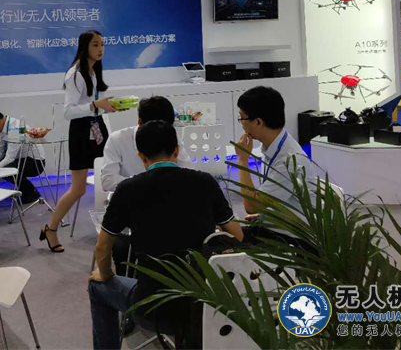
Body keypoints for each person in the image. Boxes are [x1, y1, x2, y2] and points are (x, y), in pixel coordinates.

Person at [88, 120, 243, 349]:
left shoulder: (127, 189)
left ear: (141, 156)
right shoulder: (205, 181)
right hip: (205, 304)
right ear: (177, 150)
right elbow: (237, 235)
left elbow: (102, 248)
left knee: (97, 287)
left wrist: (106, 274)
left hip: (152, 306)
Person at [41, 30, 117, 253]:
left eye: (102, 44)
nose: (100, 49)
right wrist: (94, 106)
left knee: (112, 178)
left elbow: (93, 105)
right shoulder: (75, 74)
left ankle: (113, 231)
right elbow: (68, 112)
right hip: (82, 132)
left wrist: (108, 107)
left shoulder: (94, 70)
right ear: (85, 47)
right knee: (78, 188)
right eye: (95, 45)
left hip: (97, 127)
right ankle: (51, 228)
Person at [232, 86, 323, 243]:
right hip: (279, 223)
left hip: (295, 238)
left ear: (258, 122)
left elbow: (251, 206)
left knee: (223, 243)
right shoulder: (276, 145)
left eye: (242, 118)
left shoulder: (289, 160)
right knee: (224, 232)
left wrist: (242, 159)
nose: (241, 124)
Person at [100, 96, 190, 192]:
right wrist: (145, 183)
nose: (160, 135)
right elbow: (108, 181)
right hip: (131, 196)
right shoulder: (118, 139)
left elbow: (187, 171)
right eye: (153, 130)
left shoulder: (170, 136)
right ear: (140, 122)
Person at [0, 108, 45, 206]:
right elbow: (0, 151)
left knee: (5, 170)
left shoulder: (15, 128)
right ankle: (28, 191)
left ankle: (31, 193)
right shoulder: (6, 128)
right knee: (3, 167)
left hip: (35, 163)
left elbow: (10, 158)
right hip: (24, 160)